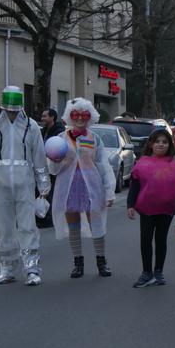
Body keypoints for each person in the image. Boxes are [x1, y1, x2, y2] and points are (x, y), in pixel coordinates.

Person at [0, 86, 50, 285]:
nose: (12, 114)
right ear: (2, 107)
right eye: (9, 110)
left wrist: (43, 187)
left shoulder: (32, 126)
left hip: (24, 183)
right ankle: (7, 268)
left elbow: (39, 158)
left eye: (15, 110)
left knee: (27, 227)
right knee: (3, 227)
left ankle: (31, 269)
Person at [48, 98, 116, 278]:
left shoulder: (94, 138)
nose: (79, 118)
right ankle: (78, 263)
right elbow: (53, 169)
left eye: (84, 115)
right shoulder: (60, 139)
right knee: (73, 226)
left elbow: (103, 165)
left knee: (96, 224)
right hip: (68, 187)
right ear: (69, 116)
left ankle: (101, 262)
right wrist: (55, 160)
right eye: (75, 115)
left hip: (91, 187)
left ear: (90, 116)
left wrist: (109, 190)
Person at [127, 129, 175, 288]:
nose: (161, 144)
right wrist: (130, 205)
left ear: (169, 145)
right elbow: (134, 186)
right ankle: (147, 272)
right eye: (157, 141)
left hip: (166, 209)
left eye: (164, 142)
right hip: (146, 209)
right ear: (151, 144)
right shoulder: (142, 163)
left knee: (161, 240)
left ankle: (158, 271)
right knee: (145, 239)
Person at [38, 108, 64, 228]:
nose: (42, 118)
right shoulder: (43, 131)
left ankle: (48, 219)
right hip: (43, 166)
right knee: (42, 192)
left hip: (54, 168)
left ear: (52, 117)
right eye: (42, 116)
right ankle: (41, 216)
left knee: (50, 193)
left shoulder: (59, 132)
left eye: (45, 116)